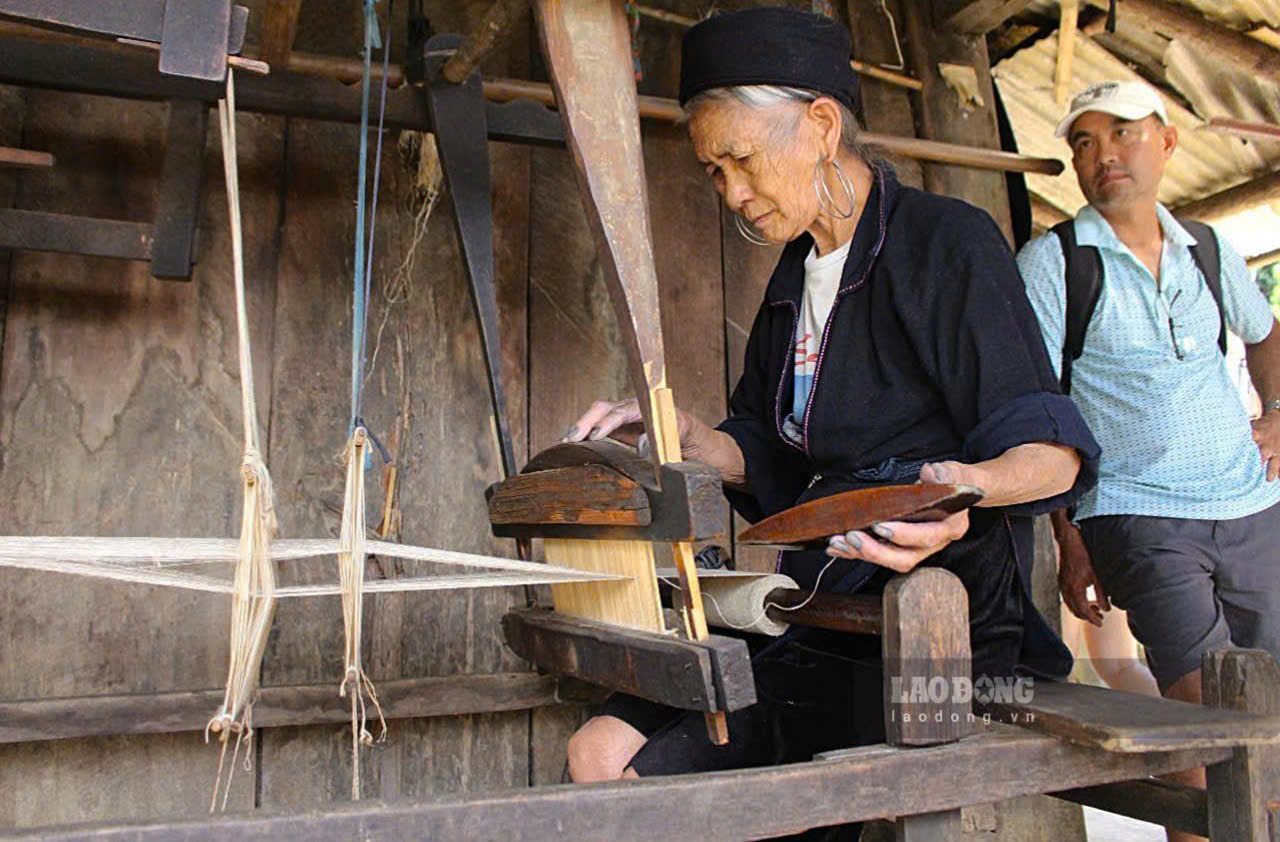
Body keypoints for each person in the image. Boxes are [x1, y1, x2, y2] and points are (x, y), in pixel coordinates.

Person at [560, 9, 1100, 836]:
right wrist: (691, 442)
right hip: (813, 600)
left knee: (790, 798)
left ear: (819, 124)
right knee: (598, 756)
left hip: (929, 614)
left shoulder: (944, 243)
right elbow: (771, 451)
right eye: (713, 171)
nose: (733, 192)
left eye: (740, 158)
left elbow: (1049, 451)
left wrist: (963, 488)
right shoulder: (795, 279)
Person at [1018, 79, 1280, 842]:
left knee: (1273, 712)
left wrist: (1277, 416)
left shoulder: (1206, 246)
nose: (1103, 155)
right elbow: (1039, 412)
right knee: (1202, 721)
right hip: (1137, 513)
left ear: (1166, 141)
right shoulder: (1054, 262)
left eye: (1123, 132)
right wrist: (1068, 540)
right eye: (1084, 142)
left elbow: (1264, 332)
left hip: (1250, 500)